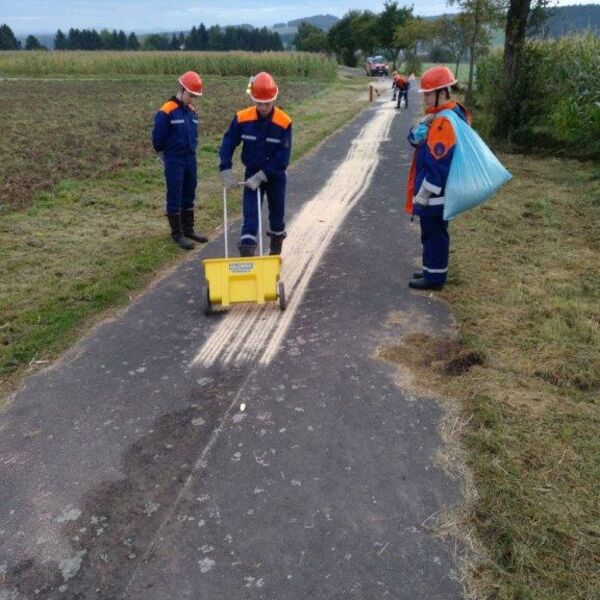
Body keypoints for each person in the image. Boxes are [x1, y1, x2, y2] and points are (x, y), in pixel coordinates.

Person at [405, 66, 471, 290]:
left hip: (435, 195)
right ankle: (431, 269)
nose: (424, 98)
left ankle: (434, 279)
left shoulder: (444, 122)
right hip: (437, 193)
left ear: (442, 93)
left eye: (428, 94)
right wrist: (425, 122)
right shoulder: (443, 116)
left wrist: (425, 192)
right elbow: (415, 140)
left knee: (434, 233)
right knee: (432, 232)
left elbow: (439, 163)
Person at [218, 72, 292, 257]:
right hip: (251, 172)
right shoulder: (242, 118)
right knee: (250, 214)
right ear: (253, 100)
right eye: (259, 103)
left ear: (274, 99)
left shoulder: (283, 122)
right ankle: (247, 249)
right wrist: (225, 169)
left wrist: (263, 176)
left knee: (277, 215)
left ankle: (275, 249)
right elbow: (228, 143)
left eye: (267, 103)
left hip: (275, 176)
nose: (263, 107)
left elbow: (283, 157)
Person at [152, 71, 207, 250]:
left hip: (190, 157)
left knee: (189, 191)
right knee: (174, 193)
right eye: (191, 95)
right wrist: (165, 158)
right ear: (182, 89)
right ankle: (177, 234)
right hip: (174, 159)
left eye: (195, 96)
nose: (192, 99)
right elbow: (157, 140)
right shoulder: (166, 111)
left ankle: (188, 229)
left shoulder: (191, 111)